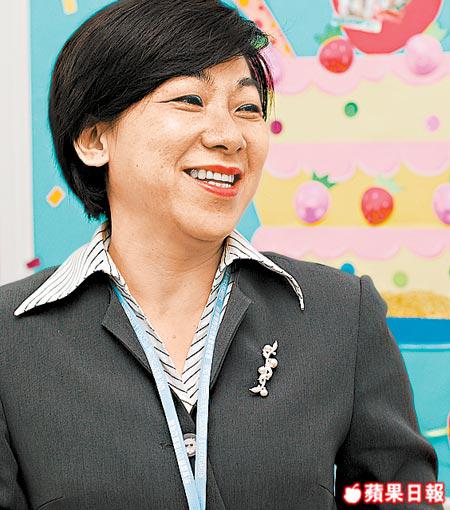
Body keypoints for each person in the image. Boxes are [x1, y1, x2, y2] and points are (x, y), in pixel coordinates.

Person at [0, 1, 442, 509]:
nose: (229, 136)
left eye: (247, 108)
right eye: (190, 100)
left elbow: (398, 495)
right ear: (94, 139)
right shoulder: (9, 337)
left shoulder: (340, 311)